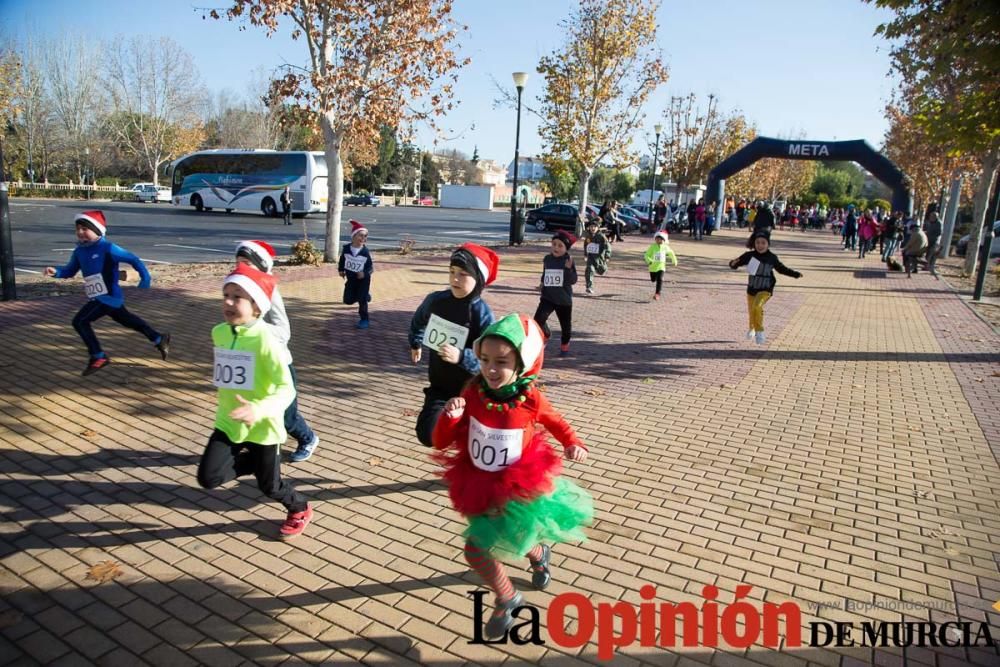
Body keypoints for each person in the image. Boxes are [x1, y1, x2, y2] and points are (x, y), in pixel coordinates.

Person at [431, 313, 592, 639]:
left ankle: (508, 598)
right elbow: (440, 441)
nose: (490, 369)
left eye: (502, 361)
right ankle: (538, 555)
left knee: (477, 549)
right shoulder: (473, 391)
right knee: (508, 542)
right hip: (478, 482)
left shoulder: (530, 399)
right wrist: (451, 417)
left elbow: (556, 421)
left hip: (519, 486)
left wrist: (573, 442)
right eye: (485, 359)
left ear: (523, 363)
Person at [197, 264, 313, 539]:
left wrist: (258, 408)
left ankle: (299, 507)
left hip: (263, 427)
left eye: (237, 297)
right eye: (226, 294)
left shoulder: (267, 341)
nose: (228, 302)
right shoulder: (219, 333)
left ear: (257, 307)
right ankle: (259, 464)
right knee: (209, 478)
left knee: (269, 487)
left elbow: (287, 389)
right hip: (228, 421)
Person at [45, 210, 170, 376]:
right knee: (129, 321)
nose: (80, 232)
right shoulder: (79, 251)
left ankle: (98, 356)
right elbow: (70, 271)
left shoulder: (108, 248)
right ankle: (159, 339)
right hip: (98, 297)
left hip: (108, 297)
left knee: (80, 321)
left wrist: (145, 278)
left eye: (85, 229)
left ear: (96, 230)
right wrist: (56, 272)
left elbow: (133, 259)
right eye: (78, 229)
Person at [234, 240, 320, 463]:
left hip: (278, 365)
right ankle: (256, 444)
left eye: (246, 263)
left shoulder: (269, 291)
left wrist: (252, 324)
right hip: (251, 363)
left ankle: (308, 438)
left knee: (286, 415)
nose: (241, 267)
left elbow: (284, 331)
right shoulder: (237, 290)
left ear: (260, 265)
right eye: (238, 263)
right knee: (250, 407)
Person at [409, 243, 499, 447]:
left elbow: (490, 358)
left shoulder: (482, 314)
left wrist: (461, 356)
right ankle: (454, 426)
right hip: (440, 387)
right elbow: (419, 319)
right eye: (452, 272)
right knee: (428, 434)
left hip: (472, 391)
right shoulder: (436, 300)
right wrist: (416, 342)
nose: (455, 279)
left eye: (463, 274)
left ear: (478, 280)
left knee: (477, 442)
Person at [728, 232, 802, 345]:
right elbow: (736, 263)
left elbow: (782, 269)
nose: (760, 245)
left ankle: (760, 332)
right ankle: (752, 328)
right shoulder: (749, 255)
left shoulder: (772, 258)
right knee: (752, 311)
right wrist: (732, 264)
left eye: (763, 243)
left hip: (766, 289)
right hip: (752, 288)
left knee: (757, 307)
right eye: (757, 242)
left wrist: (795, 274)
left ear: (768, 244)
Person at [534, 230, 578, 357]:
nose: (556, 248)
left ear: (566, 248)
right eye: (554, 244)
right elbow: (545, 273)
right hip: (548, 297)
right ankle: (546, 334)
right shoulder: (547, 259)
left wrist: (569, 269)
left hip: (563, 299)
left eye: (560, 245)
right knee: (538, 320)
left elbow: (573, 280)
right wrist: (542, 283)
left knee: (565, 326)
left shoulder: (568, 260)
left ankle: (565, 345)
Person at [338, 220, 374, 329]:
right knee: (348, 300)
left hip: (363, 280)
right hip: (351, 279)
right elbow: (342, 260)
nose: (363, 238)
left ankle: (364, 319)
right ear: (353, 236)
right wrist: (341, 270)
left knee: (362, 300)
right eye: (361, 235)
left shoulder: (365, 252)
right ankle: (365, 295)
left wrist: (364, 273)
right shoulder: (347, 249)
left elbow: (370, 267)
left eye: (365, 236)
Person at [644, 231, 678, 301]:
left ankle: (657, 294)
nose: (658, 240)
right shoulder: (652, 247)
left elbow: (671, 253)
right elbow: (646, 255)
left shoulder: (665, 247)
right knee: (653, 280)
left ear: (664, 240)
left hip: (661, 267)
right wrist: (649, 261)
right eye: (656, 239)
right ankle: (655, 279)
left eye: (660, 239)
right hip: (652, 267)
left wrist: (674, 261)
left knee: (660, 279)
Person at [582, 217, 610, 295]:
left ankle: (603, 268)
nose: (593, 228)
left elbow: (607, 246)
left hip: (599, 258)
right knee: (589, 269)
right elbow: (586, 246)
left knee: (602, 270)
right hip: (591, 257)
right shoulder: (588, 237)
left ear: (598, 228)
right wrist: (585, 255)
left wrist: (607, 256)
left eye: (594, 227)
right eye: (591, 227)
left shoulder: (601, 236)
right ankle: (589, 287)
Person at [923, 211, 942, 280]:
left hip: (934, 241)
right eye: (930, 216)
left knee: (931, 254)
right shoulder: (931, 222)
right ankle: (927, 265)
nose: (930, 218)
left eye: (932, 216)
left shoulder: (938, 223)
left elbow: (939, 233)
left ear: (935, 217)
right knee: (927, 254)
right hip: (929, 240)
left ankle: (929, 266)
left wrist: (931, 235)